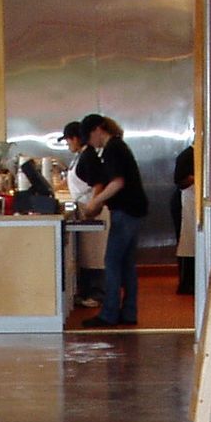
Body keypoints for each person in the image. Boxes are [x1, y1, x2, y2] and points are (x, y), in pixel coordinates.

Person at [74, 114, 147, 328]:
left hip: (125, 210)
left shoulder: (112, 149)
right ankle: (129, 312)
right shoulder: (118, 146)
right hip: (134, 210)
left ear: (98, 130)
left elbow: (117, 183)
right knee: (126, 264)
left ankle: (109, 313)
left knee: (112, 262)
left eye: (89, 137)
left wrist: (95, 202)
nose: (90, 142)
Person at [61, 121, 104, 308]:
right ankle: (87, 291)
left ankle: (97, 293)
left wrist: (93, 206)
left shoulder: (89, 157)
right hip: (84, 205)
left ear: (76, 138)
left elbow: (98, 184)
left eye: (68, 140)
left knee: (95, 254)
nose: (68, 144)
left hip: (92, 209)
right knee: (87, 254)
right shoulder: (81, 156)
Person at [172, 143, 196, 294]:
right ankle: (186, 283)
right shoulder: (186, 156)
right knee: (186, 242)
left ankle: (191, 281)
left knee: (190, 243)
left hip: (191, 203)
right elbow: (179, 180)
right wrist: (196, 177)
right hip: (184, 204)